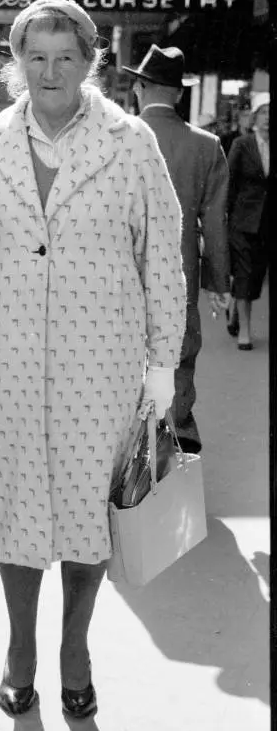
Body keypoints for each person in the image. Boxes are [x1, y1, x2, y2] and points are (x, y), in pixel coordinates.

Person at [0, 0, 186, 719]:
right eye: (37, 57)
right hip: (13, 362)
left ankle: (76, 646)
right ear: (17, 64)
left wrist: (163, 369)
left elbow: (163, 257)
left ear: (90, 63)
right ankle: (20, 648)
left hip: (105, 363)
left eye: (66, 57)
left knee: (93, 512)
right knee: (16, 507)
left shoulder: (130, 143)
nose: (50, 71)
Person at [125, 43, 230, 453]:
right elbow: (216, 225)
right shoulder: (206, 146)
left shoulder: (115, 137)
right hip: (180, 276)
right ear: (180, 93)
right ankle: (171, 456)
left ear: (138, 87)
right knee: (178, 362)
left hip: (118, 274)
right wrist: (219, 282)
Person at [225, 93, 269, 350]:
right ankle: (246, 332)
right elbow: (229, 182)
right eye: (263, 113)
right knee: (244, 272)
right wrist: (224, 217)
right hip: (243, 221)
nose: (267, 119)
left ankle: (235, 306)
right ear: (255, 117)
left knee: (256, 276)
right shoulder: (243, 144)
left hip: (266, 224)